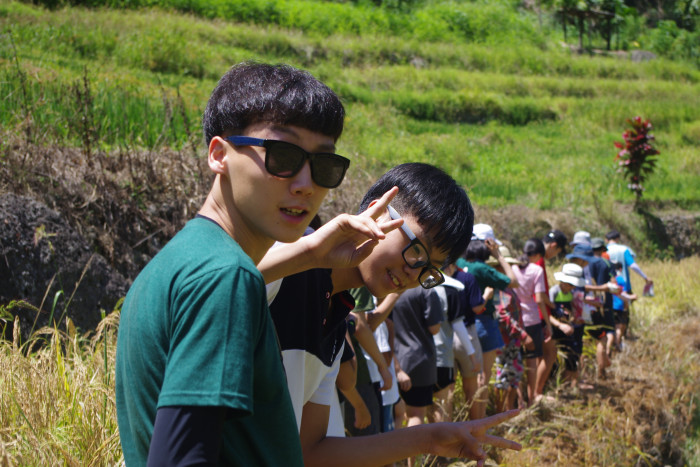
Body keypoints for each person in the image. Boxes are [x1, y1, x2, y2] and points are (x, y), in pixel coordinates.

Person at [115, 62, 365, 466]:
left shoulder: (182, 259)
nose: (305, 183)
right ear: (219, 154)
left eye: (324, 165)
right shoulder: (226, 277)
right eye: (282, 155)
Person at [259, 163, 522, 466]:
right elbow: (206, 285)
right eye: (417, 250)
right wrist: (308, 253)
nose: (414, 272)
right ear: (378, 212)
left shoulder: (337, 318)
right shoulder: (285, 254)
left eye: (429, 269)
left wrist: (428, 438)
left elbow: (310, 450)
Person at [461, 234, 519, 418]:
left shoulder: (459, 263)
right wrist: (498, 255)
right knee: (483, 378)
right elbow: (513, 281)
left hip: (461, 324)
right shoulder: (481, 268)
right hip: (484, 323)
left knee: (469, 379)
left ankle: (468, 422)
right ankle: (479, 425)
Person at [511, 239, 551, 404]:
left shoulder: (512, 267)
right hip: (532, 319)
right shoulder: (537, 270)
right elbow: (540, 299)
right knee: (532, 361)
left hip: (515, 319)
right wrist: (547, 323)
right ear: (536, 255)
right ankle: (532, 397)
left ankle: (519, 402)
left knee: (517, 361)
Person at [548, 263, 587, 388]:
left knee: (572, 355)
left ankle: (570, 385)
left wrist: (574, 318)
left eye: (573, 285)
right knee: (552, 359)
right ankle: (553, 385)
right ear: (563, 281)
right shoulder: (554, 292)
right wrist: (559, 325)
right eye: (570, 284)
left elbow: (571, 311)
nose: (571, 287)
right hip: (554, 330)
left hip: (568, 330)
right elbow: (546, 313)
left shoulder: (570, 294)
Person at [605, 229, 653, 295]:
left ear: (606, 240)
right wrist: (645, 277)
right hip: (623, 285)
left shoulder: (602, 251)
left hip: (608, 285)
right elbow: (633, 265)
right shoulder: (624, 249)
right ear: (617, 238)